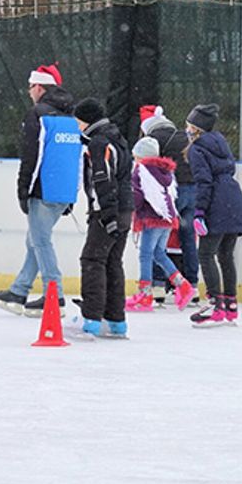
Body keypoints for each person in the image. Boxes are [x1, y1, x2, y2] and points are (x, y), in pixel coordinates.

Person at [0, 64, 82, 318]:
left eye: (31, 86)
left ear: (40, 87)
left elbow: (32, 156)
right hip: (63, 190)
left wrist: (23, 189)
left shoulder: (38, 115)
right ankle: (19, 290)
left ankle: (55, 294)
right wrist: (72, 193)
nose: (29, 91)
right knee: (34, 239)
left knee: (41, 241)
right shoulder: (71, 117)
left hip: (43, 189)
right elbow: (76, 156)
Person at [73, 98, 133, 338]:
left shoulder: (99, 143)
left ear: (87, 120)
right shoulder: (117, 137)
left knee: (93, 260)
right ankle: (116, 320)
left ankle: (91, 319)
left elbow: (102, 180)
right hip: (126, 209)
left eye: (78, 121)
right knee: (112, 262)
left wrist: (107, 215)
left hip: (108, 209)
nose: (77, 126)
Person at [184, 103, 242, 327]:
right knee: (226, 255)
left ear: (197, 129)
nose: (187, 129)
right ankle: (230, 304)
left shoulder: (197, 149)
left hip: (217, 203)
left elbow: (204, 182)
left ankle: (215, 304)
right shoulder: (221, 143)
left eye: (189, 126)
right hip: (234, 199)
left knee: (206, 254)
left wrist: (199, 211)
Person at [125, 136, 195, 312]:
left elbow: (138, 196)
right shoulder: (165, 171)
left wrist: (131, 208)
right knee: (159, 253)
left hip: (152, 218)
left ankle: (145, 294)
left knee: (146, 254)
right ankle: (183, 285)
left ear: (141, 156)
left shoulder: (141, 170)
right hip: (167, 219)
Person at [139, 105, 198, 305]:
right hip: (192, 190)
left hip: (171, 193)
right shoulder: (182, 135)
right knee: (189, 239)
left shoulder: (151, 141)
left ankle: (156, 285)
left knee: (156, 246)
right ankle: (192, 284)